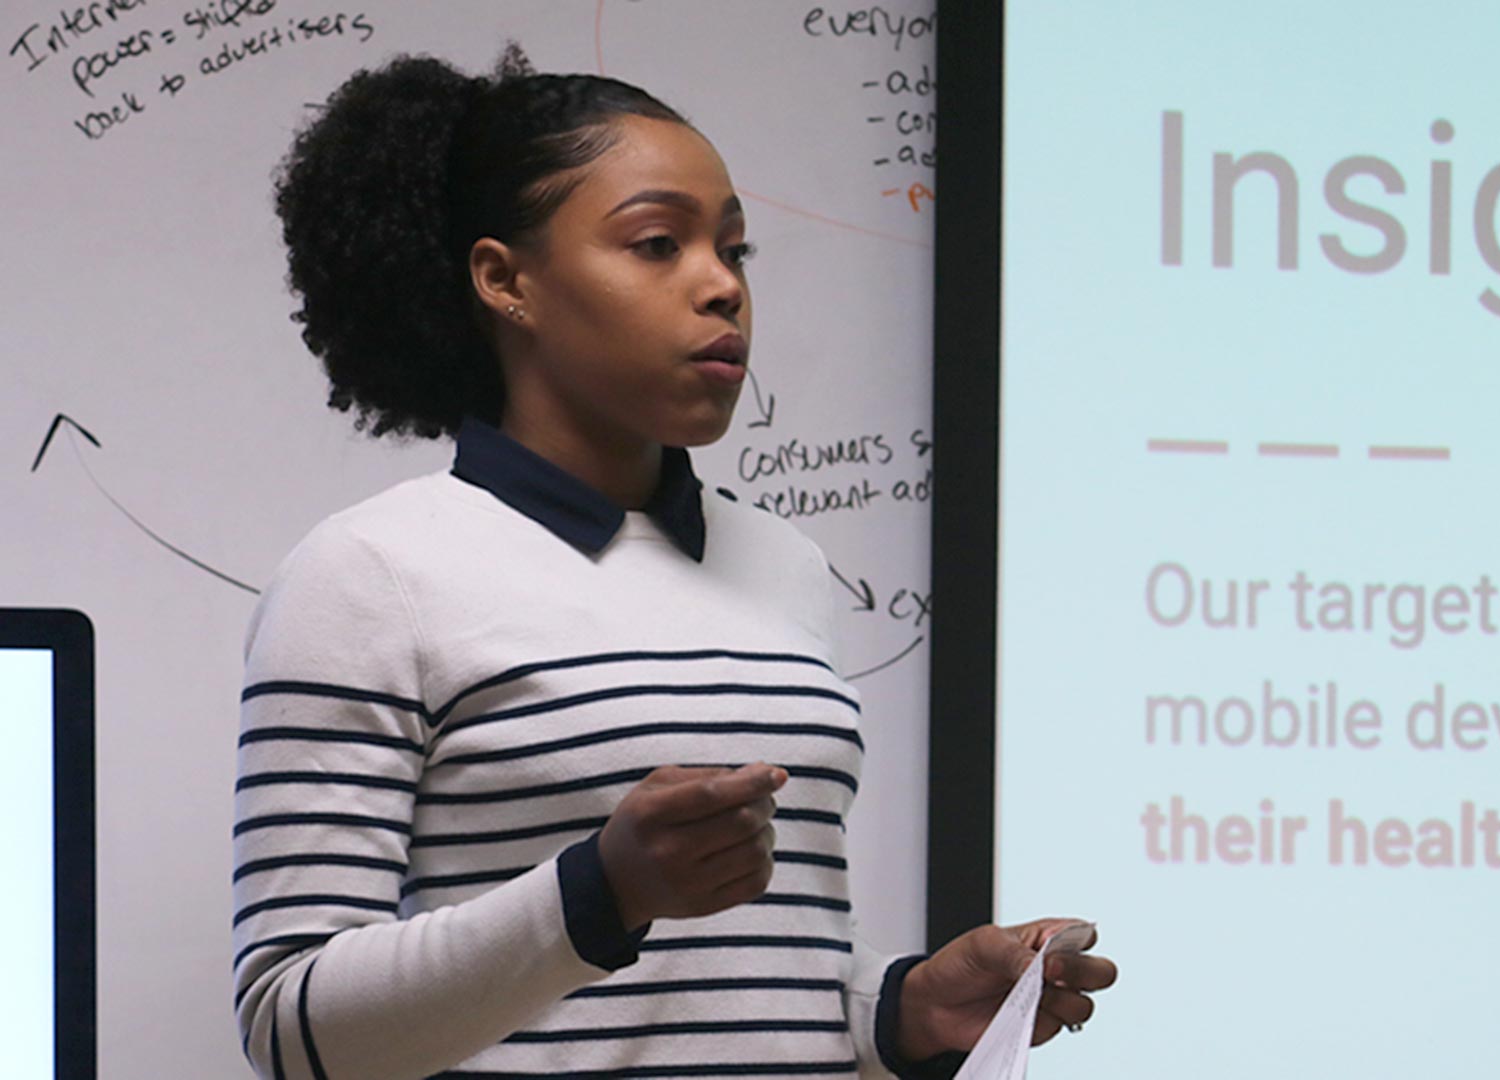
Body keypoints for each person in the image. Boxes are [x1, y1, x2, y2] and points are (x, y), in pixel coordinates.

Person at [229, 44, 1115, 1080]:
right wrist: (602, 892)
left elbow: (748, 987)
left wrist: (905, 1008)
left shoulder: (780, 561)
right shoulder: (368, 574)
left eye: (734, 251)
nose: (720, 288)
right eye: (657, 244)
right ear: (505, 282)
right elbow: (291, 1029)